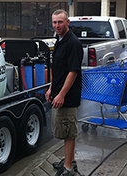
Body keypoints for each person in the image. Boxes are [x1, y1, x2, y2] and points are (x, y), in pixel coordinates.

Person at [45, 9, 83, 176]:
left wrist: (61, 94)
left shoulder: (73, 43)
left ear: (68, 22)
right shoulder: (59, 40)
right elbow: (58, 69)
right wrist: (52, 88)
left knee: (68, 132)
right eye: (54, 22)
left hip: (68, 96)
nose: (57, 25)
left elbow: (73, 71)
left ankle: (68, 168)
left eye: (60, 22)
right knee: (63, 130)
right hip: (58, 92)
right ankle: (68, 161)